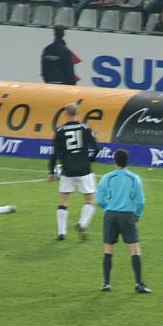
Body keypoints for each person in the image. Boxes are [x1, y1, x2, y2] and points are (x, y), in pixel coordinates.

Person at [96, 150, 150, 293]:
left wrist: (108, 208)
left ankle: (106, 283)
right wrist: (138, 214)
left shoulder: (107, 178)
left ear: (114, 161)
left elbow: (99, 199)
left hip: (111, 215)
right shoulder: (134, 178)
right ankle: (139, 284)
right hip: (127, 216)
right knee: (134, 250)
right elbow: (140, 201)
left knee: (108, 249)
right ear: (127, 161)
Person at [48, 103, 98, 241]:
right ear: (77, 113)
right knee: (91, 200)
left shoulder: (59, 130)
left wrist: (51, 171)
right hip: (84, 169)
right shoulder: (85, 128)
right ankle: (82, 224)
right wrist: (90, 160)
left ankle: (61, 232)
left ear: (65, 114)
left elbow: (54, 153)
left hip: (67, 170)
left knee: (63, 200)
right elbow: (96, 148)